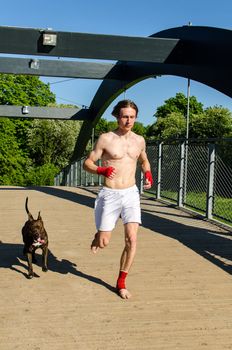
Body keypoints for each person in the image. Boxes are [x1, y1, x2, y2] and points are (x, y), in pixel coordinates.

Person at [83, 99, 153, 299]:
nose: (128, 120)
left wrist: (147, 173)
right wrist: (101, 170)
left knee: (132, 239)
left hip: (131, 193)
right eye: (124, 116)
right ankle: (99, 235)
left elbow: (144, 159)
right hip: (110, 194)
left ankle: (121, 281)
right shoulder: (106, 138)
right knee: (104, 242)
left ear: (136, 117)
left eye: (132, 117)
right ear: (117, 116)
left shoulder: (139, 140)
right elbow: (87, 163)